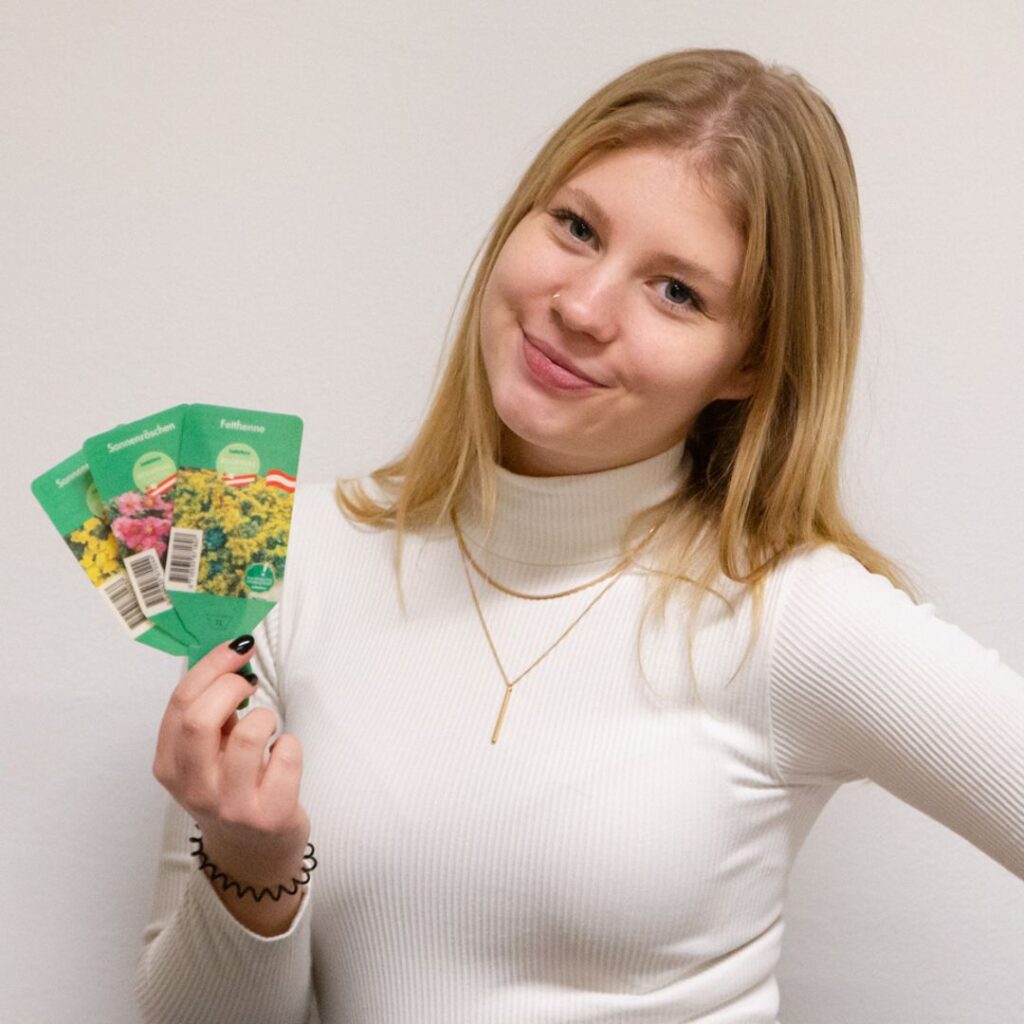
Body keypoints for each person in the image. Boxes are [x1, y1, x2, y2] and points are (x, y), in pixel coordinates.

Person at [135, 47, 1024, 1024]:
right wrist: (248, 861)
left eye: (677, 290)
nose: (581, 308)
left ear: (749, 363)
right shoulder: (279, 550)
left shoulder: (792, 614)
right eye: (575, 226)